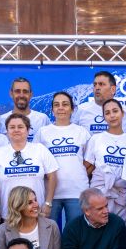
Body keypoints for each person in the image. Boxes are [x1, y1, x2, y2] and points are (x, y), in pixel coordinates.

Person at [0, 112, 58, 219]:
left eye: (20, 127)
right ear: (7, 131)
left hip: (37, 213)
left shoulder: (40, 149)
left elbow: (52, 177)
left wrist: (48, 203)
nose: (16, 130)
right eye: (12, 127)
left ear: (28, 130)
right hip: (9, 216)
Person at [34, 91, 91, 227]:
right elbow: (36, 159)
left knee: (76, 233)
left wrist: (78, 172)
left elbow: (90, 161)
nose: (60, 108)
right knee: (48, 233)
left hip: (77, 191)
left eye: (65, 104)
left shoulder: (81, 132)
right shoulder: (43, 132)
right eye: (56, 105)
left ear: (72, 109)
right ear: (52, 109)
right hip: (50, 194)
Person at [84, 98, 126, 221]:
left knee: (119, 229)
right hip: (99, 195)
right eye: (107, 113)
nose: (112, 115)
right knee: (98, 228)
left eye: (115, 111)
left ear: (122, 113)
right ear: (104, 117)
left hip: (122, 197)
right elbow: (87, 168)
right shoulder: (96, 139)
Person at [59, 188, 124, 249]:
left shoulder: (117, 223)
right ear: (87, 211)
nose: (106, 211)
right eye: (100, 209)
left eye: (106, 206)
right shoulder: (72, 228)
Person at [74, 70, 126, 135]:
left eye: (101, 84)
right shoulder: (81, 109)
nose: (97, 88)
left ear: (113, 89)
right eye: (95, 85)